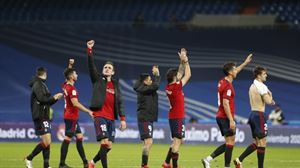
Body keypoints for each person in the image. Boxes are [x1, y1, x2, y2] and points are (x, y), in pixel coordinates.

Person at [202, 54, 253, 168]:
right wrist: (231, 120)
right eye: (234, 69)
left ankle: (208, 160)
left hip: (221, 116)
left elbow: (236, 71)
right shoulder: (228, 86)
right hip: (225, 117)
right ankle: (226, 166)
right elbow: (225, 103)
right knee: (230, 142)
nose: (236, 70)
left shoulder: (223, 81)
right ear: (230, 72)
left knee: (230, 142)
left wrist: (245, 63)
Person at [86, 40, 127, 168]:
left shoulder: (115, 85)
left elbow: (119, 102)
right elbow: (91, 66)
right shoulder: (97, 79)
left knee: (109, 145)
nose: (107, 69)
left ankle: (92, 163)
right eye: (105, 67)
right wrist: (89, 51)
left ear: (113, 72)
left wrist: (123, 119)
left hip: (111, 118)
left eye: (109, 68)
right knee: (104, 142)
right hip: (100, 115)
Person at [234, 66, 276, 168]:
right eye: (264, 73)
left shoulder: (252, 86)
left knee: (256, 142)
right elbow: (268, 101)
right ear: (259, 75)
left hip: (252, 114)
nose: (266, 75)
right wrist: (271, 96)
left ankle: (239, 159)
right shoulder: (261, 86)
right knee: (262, 142)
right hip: (259, 115)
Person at [25, 67, 63, 168]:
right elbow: (42, 99)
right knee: (47, 142)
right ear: (44, 74)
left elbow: (47, 102)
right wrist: (54, 97)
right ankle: (29, 158)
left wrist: (55, 99)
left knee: (47, 141)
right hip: (40, 115)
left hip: (45, 115)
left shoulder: (42, 84)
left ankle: (46, 165)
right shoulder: (38, 84)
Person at [59, 59, 94, 168]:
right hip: (71, 117)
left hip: (70, 116)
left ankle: (85, 162)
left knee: (79, 137)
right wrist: (88, 111)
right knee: (68, 138)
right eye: (75, 73)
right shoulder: (72, 89)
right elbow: (75, 103)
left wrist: (70, 65)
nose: (77, 74)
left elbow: (67, 75)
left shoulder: (65, 85)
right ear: (71, 77)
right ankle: (62, 164)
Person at [162, 48, 191, 168]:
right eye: (177, 76)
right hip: (178, 117)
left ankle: (166, 162)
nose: (179, 76)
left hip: (173, 117)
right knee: (178, 142)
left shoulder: (169, 86)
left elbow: (179, 73)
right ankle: (174, 166)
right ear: (174, 78)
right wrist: (186, 61)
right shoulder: (176, 87)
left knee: (177, 141)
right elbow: (188, 74)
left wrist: (181, 61)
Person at [133, 66, 161, 168]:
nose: (152, 81)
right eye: (150, 79)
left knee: (147, 142)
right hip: (144, 117)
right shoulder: (144, 89)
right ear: (145, 81)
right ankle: (144, 165)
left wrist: (155, 75)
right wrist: (157, 75)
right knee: (149, 141)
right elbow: (156, 86)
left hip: (148, 118)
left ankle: (144, 164)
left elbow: (154, 87)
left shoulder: (145, 88)